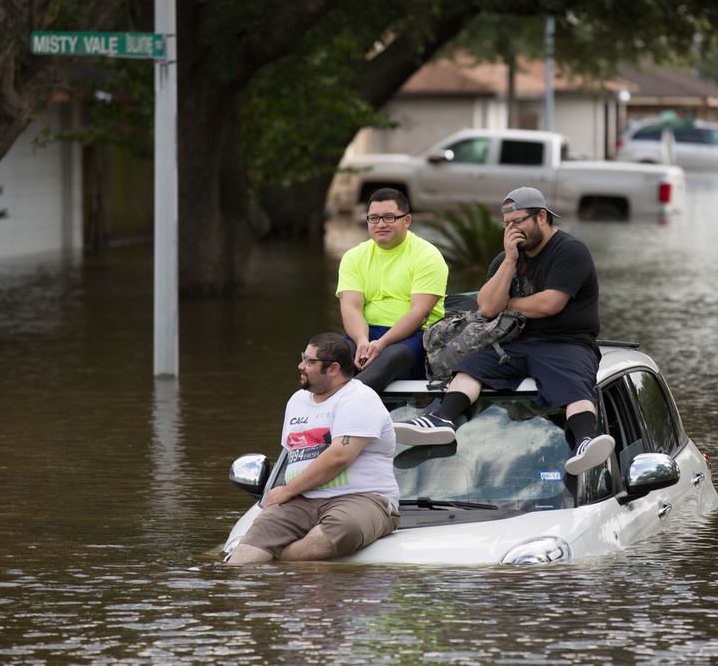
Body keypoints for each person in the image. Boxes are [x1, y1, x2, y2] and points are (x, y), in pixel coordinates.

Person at [394, 187, 614, 476]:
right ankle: (441, 419)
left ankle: (584, 441)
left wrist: (507, 304)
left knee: (572, 382)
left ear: (542, 217)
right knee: (471, 366)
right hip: (516, 341)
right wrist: (510, 260)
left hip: (568, 342)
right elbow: (486, 307)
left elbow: (550, 304)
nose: (512, 229)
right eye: (507, 223)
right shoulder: (505, 259)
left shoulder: (570, 251)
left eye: (519, 221)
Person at [227, 333, 401, 564]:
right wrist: (286, 492)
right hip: (302, 500)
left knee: (339, 532)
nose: (301, 366)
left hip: (361, 498)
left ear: (333, 369)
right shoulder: (297, 401)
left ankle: (276, 561)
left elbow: (339, 456)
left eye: (309, 361)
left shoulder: (359, 399)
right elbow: (292, 454)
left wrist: (287, 491)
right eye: (303, 358)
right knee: (245, 554)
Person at [336, 188, 448, 391]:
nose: (380, 224)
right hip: (365, 332)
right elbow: (350, 308)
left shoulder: (427, 255)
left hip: (415, 336)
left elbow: (420, 314)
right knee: (332, 357)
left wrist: (382, 343)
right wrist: (362, 339)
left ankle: (343, 405)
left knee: (389, 358)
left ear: (407, 221)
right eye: (374, 218)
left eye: (389, 217)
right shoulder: (353, 257)